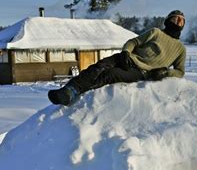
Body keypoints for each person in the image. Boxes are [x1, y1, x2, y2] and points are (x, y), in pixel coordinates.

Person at [48, 10, 186, 106]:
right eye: (175, 18)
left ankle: (81, 94)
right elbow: (133, 42)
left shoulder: (180, 49)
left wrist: (166, 72)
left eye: (181, 21)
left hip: (141, 72)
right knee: (99, 66)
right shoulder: (155, 32)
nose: (178, 22)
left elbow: (180, 71)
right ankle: (69, 91)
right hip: (127, 58)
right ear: (168, 20)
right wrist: (126, 52)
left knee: (110, 74)